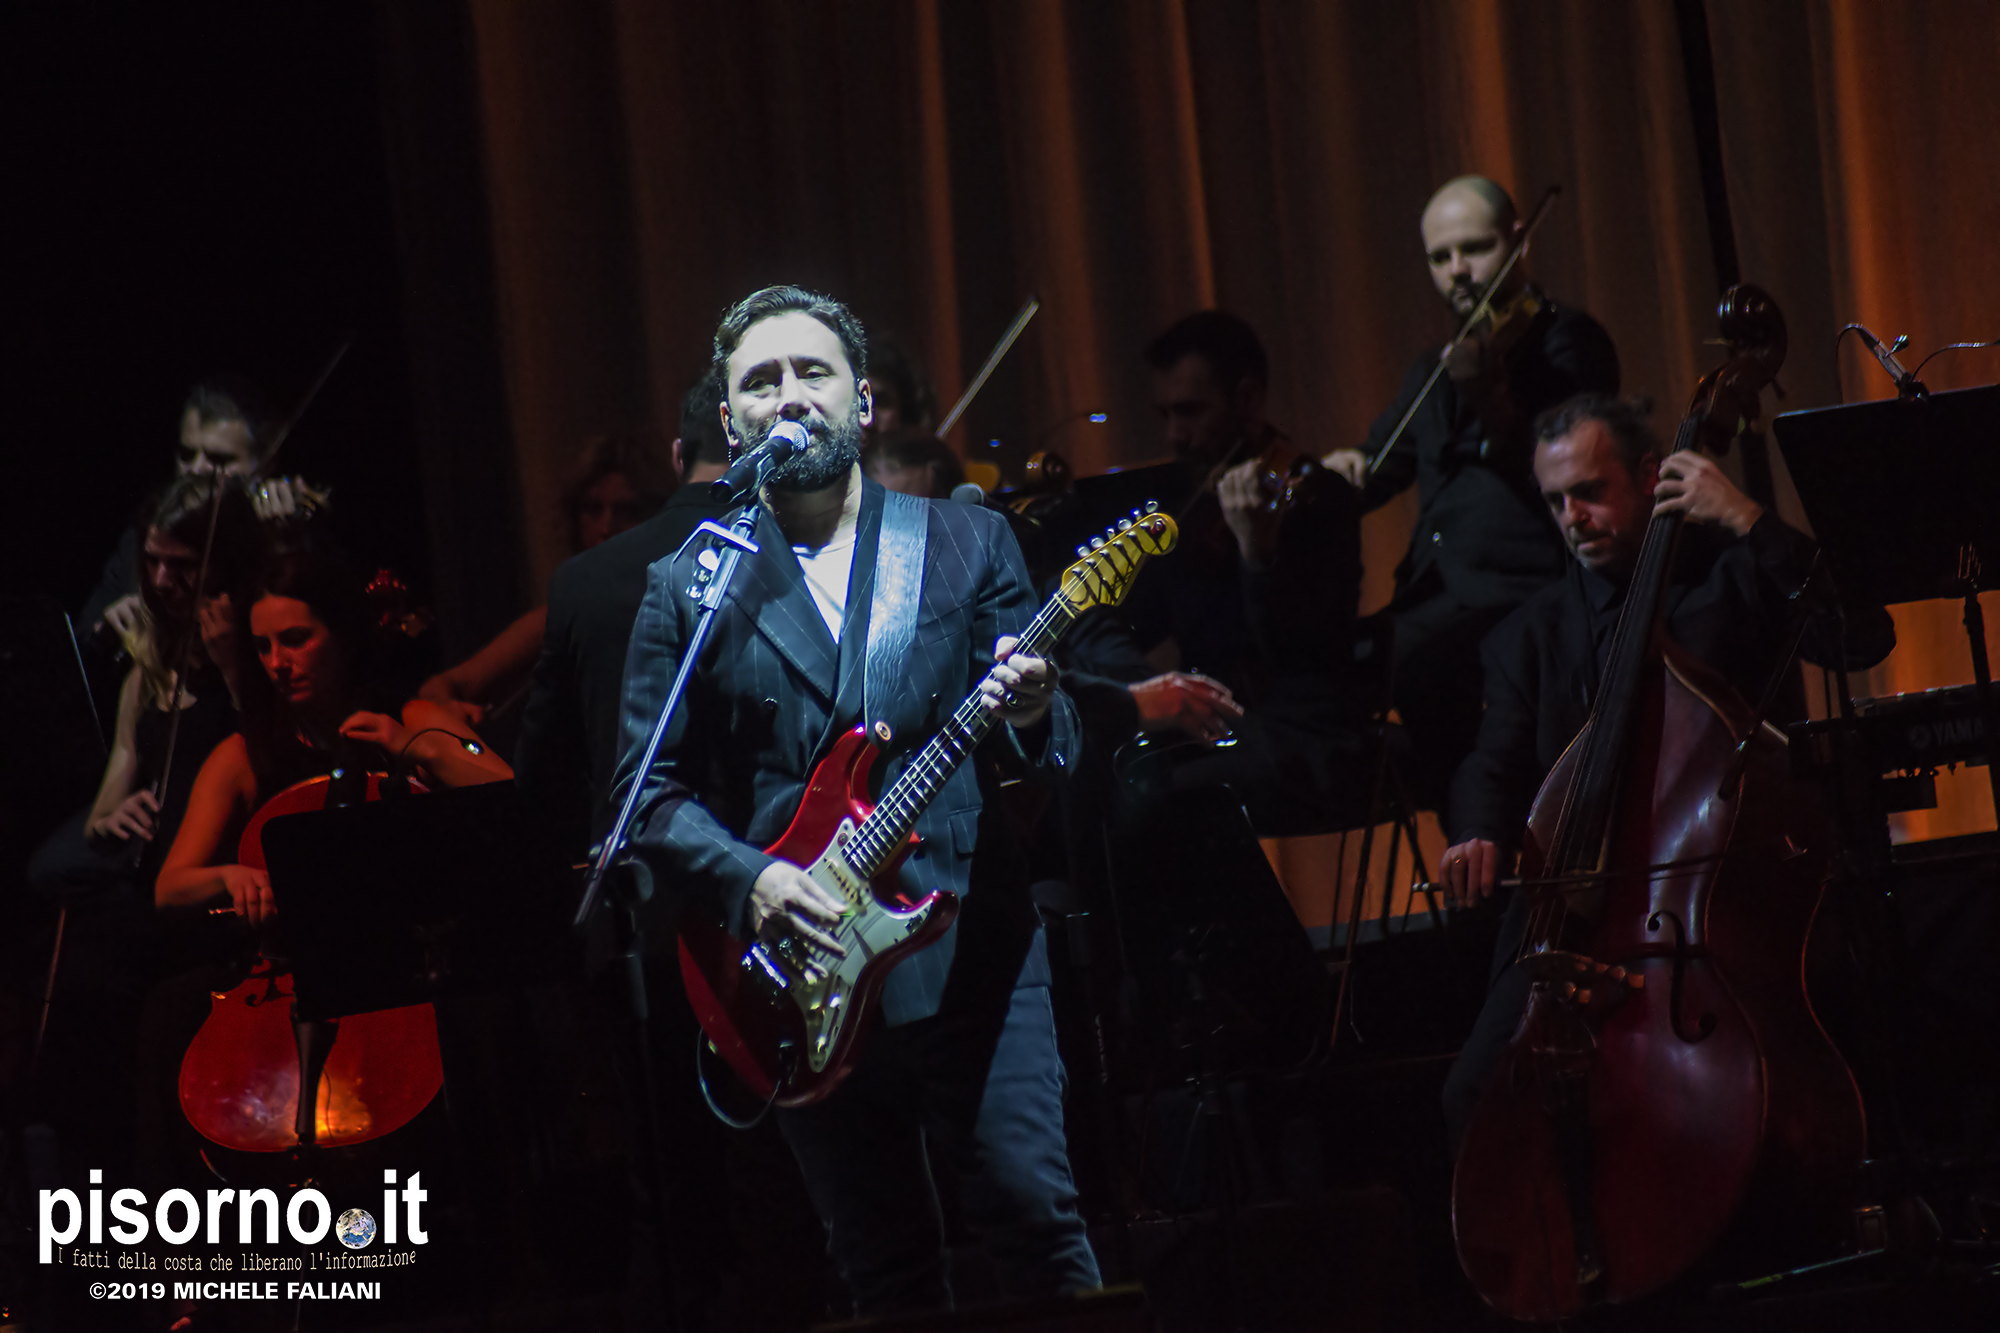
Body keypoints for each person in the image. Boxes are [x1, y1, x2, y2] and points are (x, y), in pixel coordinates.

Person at [612, 285, 1100, 1315]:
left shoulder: (964, 541)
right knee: (884, 1270)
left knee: (1037, 1228)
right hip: (806, 972)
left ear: (863, 401)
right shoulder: (687, 587)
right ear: (730, 422)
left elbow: (1054, 745)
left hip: (971, 951)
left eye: (812, 372)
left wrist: (1032, 707)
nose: (789, 395)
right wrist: (752, 881)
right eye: (761, 382)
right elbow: (643, 798)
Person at [1435, 394, 1895, 1146]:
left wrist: (1748, 518)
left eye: (1590, 491)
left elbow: (1863, 637)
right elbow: (1493, 760)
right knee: (1476, 1094)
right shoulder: (1529, 635)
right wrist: (1477, 831)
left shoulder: (1733, 577)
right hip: (1574, 914)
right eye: (1555, 500)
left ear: (1652, 477)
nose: (1572, 517)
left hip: (1718, 905)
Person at [1321, 176, 1621, 810]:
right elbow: (1382, 462)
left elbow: (1563, 466)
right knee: (1327, 671)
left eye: (1474, 249)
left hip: (1522, 589)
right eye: (1440, 257)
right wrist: (1345, 470)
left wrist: (1494, 402)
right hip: (1432, 596)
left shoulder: (1567, 341)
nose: (1457, 270)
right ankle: (1462, 809)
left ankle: (1487, 823)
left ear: (1518, 241)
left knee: (1424, 670)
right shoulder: (1434, 368)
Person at [155, 550, 511, 922]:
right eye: (263, 647)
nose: (276, 663)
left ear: (342, 636)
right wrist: (228, 877)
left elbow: (511, 788)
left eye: (295, 639)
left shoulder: (410, 718)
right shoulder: (243, 755)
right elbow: (170, 887)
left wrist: (423, 749)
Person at [1114, 309, 1362, 832]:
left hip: (1301, 735)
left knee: (1150, 804)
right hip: (1212, 727)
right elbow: (1139, 626)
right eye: (1165, 415)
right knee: (1094, 780)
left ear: (1247, 401)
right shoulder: (1185, 508)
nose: (1175, 435)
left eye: (1190, 412)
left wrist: (1257, 555)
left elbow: (1307, 653)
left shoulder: (1320, 498)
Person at [419, 427, 676, 729]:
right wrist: (452, 712)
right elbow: (440, 688)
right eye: (593, 510)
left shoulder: (677, 612)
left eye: (626, 511)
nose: (606, 527)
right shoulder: (559, 619)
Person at [82, 377, 309, 642]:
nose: (195, 470)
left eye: (219, 459)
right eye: (186, 455)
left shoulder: (280, 537)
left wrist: (286, 544)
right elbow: (80, 639)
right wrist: (104, 629)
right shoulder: (147, 541)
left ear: (266, 465)